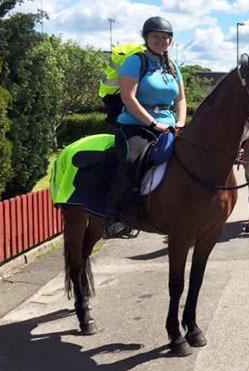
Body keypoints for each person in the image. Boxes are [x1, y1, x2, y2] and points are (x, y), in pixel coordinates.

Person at [104, 16, 186, 238]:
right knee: (132, 161)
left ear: (170, 40)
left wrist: (180, 122)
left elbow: (180, 99)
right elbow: (128, 98)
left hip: (170, 126)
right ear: (146, 38)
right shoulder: (135, 61)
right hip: (137, 126)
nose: (160, 40)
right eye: (155, 36)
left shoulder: (172, 66)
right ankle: (115, 216)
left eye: (164, 37)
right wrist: (152, 123)